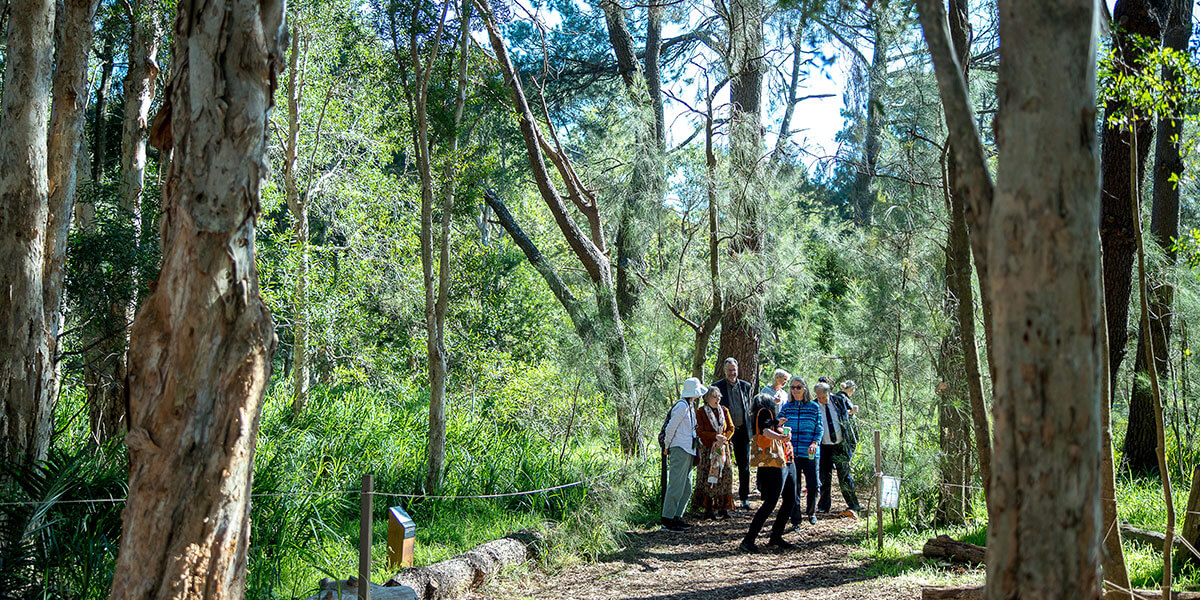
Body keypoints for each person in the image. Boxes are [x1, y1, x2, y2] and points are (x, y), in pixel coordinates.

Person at [739, 393, 797, 553]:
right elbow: (765, 431)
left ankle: (776, 536)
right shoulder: (764, 412)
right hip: (775, 462)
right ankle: (748, 539)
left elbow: (769, 426)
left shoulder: (769, 415)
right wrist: (780, 436)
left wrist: (779, 425)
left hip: (786, 459)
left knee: (790, 498)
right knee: (772, 500)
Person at [778, 376, 822, 526]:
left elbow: (819, 428)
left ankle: (811, 512)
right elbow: (778, 424)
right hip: (792, 453)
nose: (795, 390)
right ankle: (795, 518)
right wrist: (780, 427)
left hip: (810, 452)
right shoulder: (787, 406)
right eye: (792, 387)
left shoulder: (814, 407)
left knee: (813, 484)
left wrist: (815, 443)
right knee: (794, 486)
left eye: (798, 387)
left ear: (805, 389)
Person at [711, 357, 754, 510]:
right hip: (725, 433)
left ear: (738, 369)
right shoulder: (717, 387)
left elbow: (749, 408)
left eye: (734, 369)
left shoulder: (746, 386)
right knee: (724, 465)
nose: (732, 373)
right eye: (729, 370)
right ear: (724, 370)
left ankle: (744, 498)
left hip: (742, 431)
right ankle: (722, 498)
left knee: (744, 466)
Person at [661, 377, 703, 532]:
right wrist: (667, 445)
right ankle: (667, 519)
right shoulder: (681, 406)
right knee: (676, 485)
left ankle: (677, 516)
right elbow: (671, 428)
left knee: (686, 487)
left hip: (688, 449)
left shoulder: (689, 405)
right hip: (680, 448)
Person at [815, 382, 862, 518]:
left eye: (824, 397)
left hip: (840, 445)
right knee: (824, 476)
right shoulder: (814, 405)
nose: (822, 400)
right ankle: (824, 506)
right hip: (824, 446)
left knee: (845, 476)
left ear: (830, 393)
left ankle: (853, 505)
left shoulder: (839, 401)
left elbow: (849, 419)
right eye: (819, 397)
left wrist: (852, 441)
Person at [693, 387, 735, 519]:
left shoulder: (724, 410)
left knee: (726, 474)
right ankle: (708, 509)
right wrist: (714, 437)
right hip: (707, 450)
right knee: (708, 477)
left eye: (719, 396)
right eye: (715, 396)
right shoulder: (700, 412)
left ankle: (723, 507)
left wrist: (723, 438)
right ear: (707, 398)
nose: (718, 399)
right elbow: (699, 431)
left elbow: (731, 428)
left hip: (722, 448)